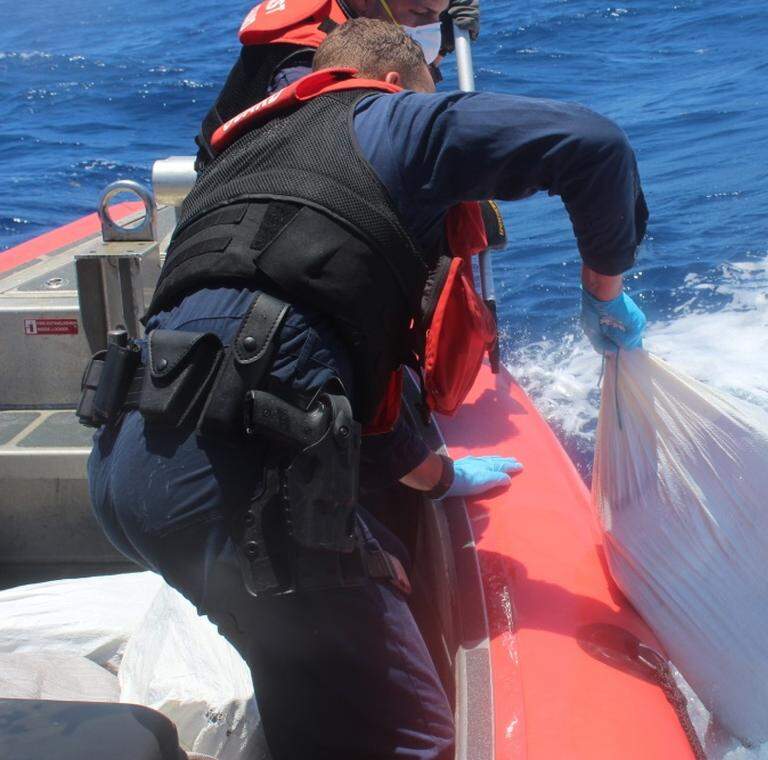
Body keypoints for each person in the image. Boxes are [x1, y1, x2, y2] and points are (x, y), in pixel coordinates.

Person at [83, 18, 647, 760]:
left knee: (310, 695)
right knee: (407, 737)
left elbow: (340, 385)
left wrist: (438, 475)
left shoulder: (243, 155)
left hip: (129, 474)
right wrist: (603, 290)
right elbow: (592, 145)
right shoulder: (392, 118)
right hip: (227, 488)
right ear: (395, 84)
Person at [195, 0, 480, 169]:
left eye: (439, 15)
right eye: (420, 13)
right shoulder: (304, 64)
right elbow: (343, 158)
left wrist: (438, 45)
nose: (431, 24)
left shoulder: (356, 21)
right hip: (257, 200)